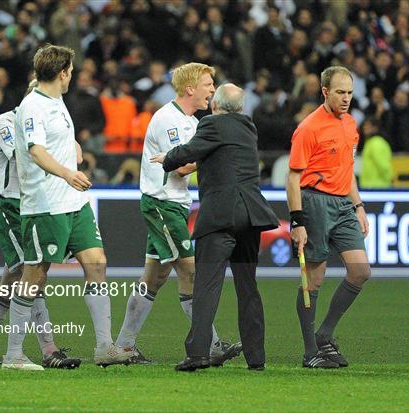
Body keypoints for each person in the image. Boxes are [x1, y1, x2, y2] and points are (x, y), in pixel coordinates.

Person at [3, 44, 133, 370]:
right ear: (62, 73)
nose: (71, 76)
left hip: (74, 204)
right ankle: (13, 354)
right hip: (45, 203)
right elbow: (35, 151)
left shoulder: (58, 100)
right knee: (35, 274)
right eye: (71, 71)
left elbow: (58, 138)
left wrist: (72, 145)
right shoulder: (31, 106)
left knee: (97, 263)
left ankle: (105, 346)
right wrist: (68, 173)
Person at [114, 63, 242, 366]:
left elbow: (187, 160)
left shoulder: (192, 121)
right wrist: (210, 155)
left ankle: (123, 347)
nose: (213, 89)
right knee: (191, 272)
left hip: (174, 205)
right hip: (162, 205)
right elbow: (182, 165)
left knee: (154, 278)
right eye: (208, 84)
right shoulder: (168, 120)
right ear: (190, 89)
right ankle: (211, 345)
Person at [151, 83, 279, 372]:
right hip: (250, 217)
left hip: (220, 217)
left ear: (215, 105)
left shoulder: (212, 124)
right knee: (248, 288)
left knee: (207, 286)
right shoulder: (248, 127)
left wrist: (167, 158)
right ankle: (256, 358)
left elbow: (189, 151)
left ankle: (197, 354)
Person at [0, 80, 80, 369]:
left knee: (12, 277)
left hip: (32, 205)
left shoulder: (47, 127)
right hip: (9, 204)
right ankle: (48, 348)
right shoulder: (5, 122)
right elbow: (23, 158)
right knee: (29, 275)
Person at [286, 66, 371, 369]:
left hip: (343, 205)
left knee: (360, 271)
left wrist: (358, 205)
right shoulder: (309, 128)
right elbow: (293, 179)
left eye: (349, 92)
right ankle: (311, 352)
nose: (346, 98)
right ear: (325, 92)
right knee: (315, 278)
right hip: (315, 202)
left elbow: (347, 172)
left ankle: (325, 333)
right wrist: (297, 221)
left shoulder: (350, 125)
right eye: (340, 92)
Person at [359, 117, 392, 188]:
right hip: (371, 186)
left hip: (377, 187)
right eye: (364, 125)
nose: (365, 127)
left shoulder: (376, 143)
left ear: (375, 128)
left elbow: (383, 166)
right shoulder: (370, 142)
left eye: (368, 125)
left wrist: (389, 181)